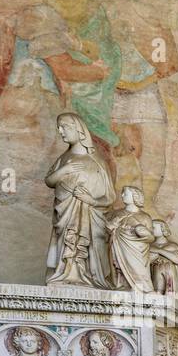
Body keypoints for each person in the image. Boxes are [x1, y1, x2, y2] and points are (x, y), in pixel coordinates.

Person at [44, 112, 117, 288]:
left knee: (86, 244)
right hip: (66, 212)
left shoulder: (98, 162)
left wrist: (90, 200)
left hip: (91, 216)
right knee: (67, 241)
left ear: (79, 130)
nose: (61, 131)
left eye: (65, 127)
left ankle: (87, 275)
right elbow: (49, 181)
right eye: (59, 128)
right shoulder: (63, 159)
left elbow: (109, 197)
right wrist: (64, 170)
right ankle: (67, 273)